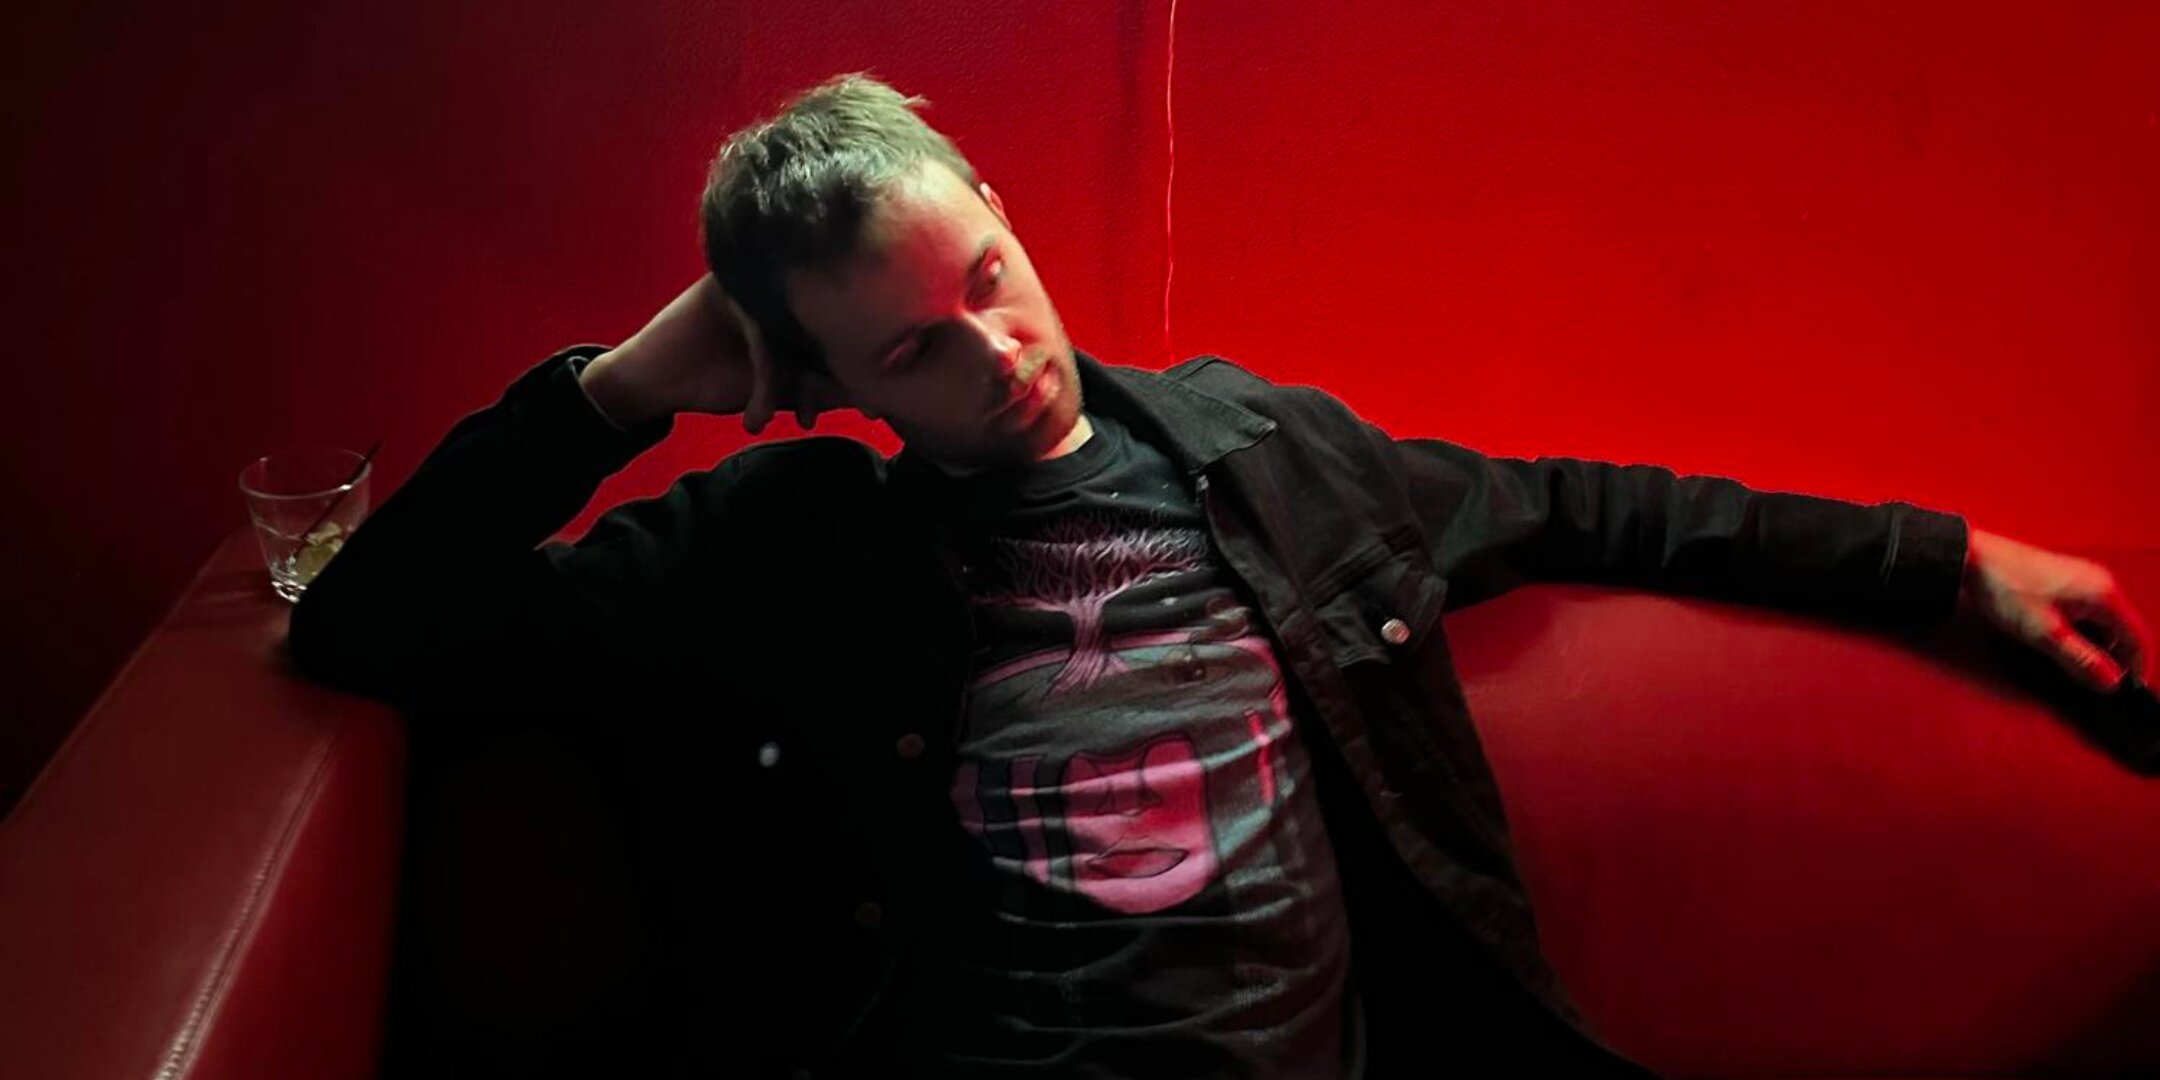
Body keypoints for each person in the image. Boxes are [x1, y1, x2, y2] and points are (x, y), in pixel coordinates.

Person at [288, 72, 2154, 1079]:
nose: (998, 356)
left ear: (1000, 209)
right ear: (820, 382)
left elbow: (1604, 508)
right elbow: (377, 626)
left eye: (988, 282)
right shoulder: (796, 544)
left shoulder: (1271, 461)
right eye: (911, 350)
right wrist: (623, 388)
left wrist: (1955, 564)